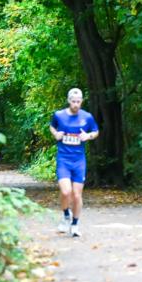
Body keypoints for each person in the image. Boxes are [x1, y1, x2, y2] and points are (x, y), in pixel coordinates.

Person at [50, 88, 99, 237]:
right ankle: (66, 215)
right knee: (66, 192)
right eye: (73, 101)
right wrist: (56, 134)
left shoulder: (87, 117)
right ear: (68, 100)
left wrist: (88, 136)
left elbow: (96, 131)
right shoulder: (59, 115)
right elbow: (52, 126)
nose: (76, 104)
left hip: (79, 161)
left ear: (81, 101)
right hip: (63, 159)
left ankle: (75, 224)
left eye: (78, 101)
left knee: (77, 195)